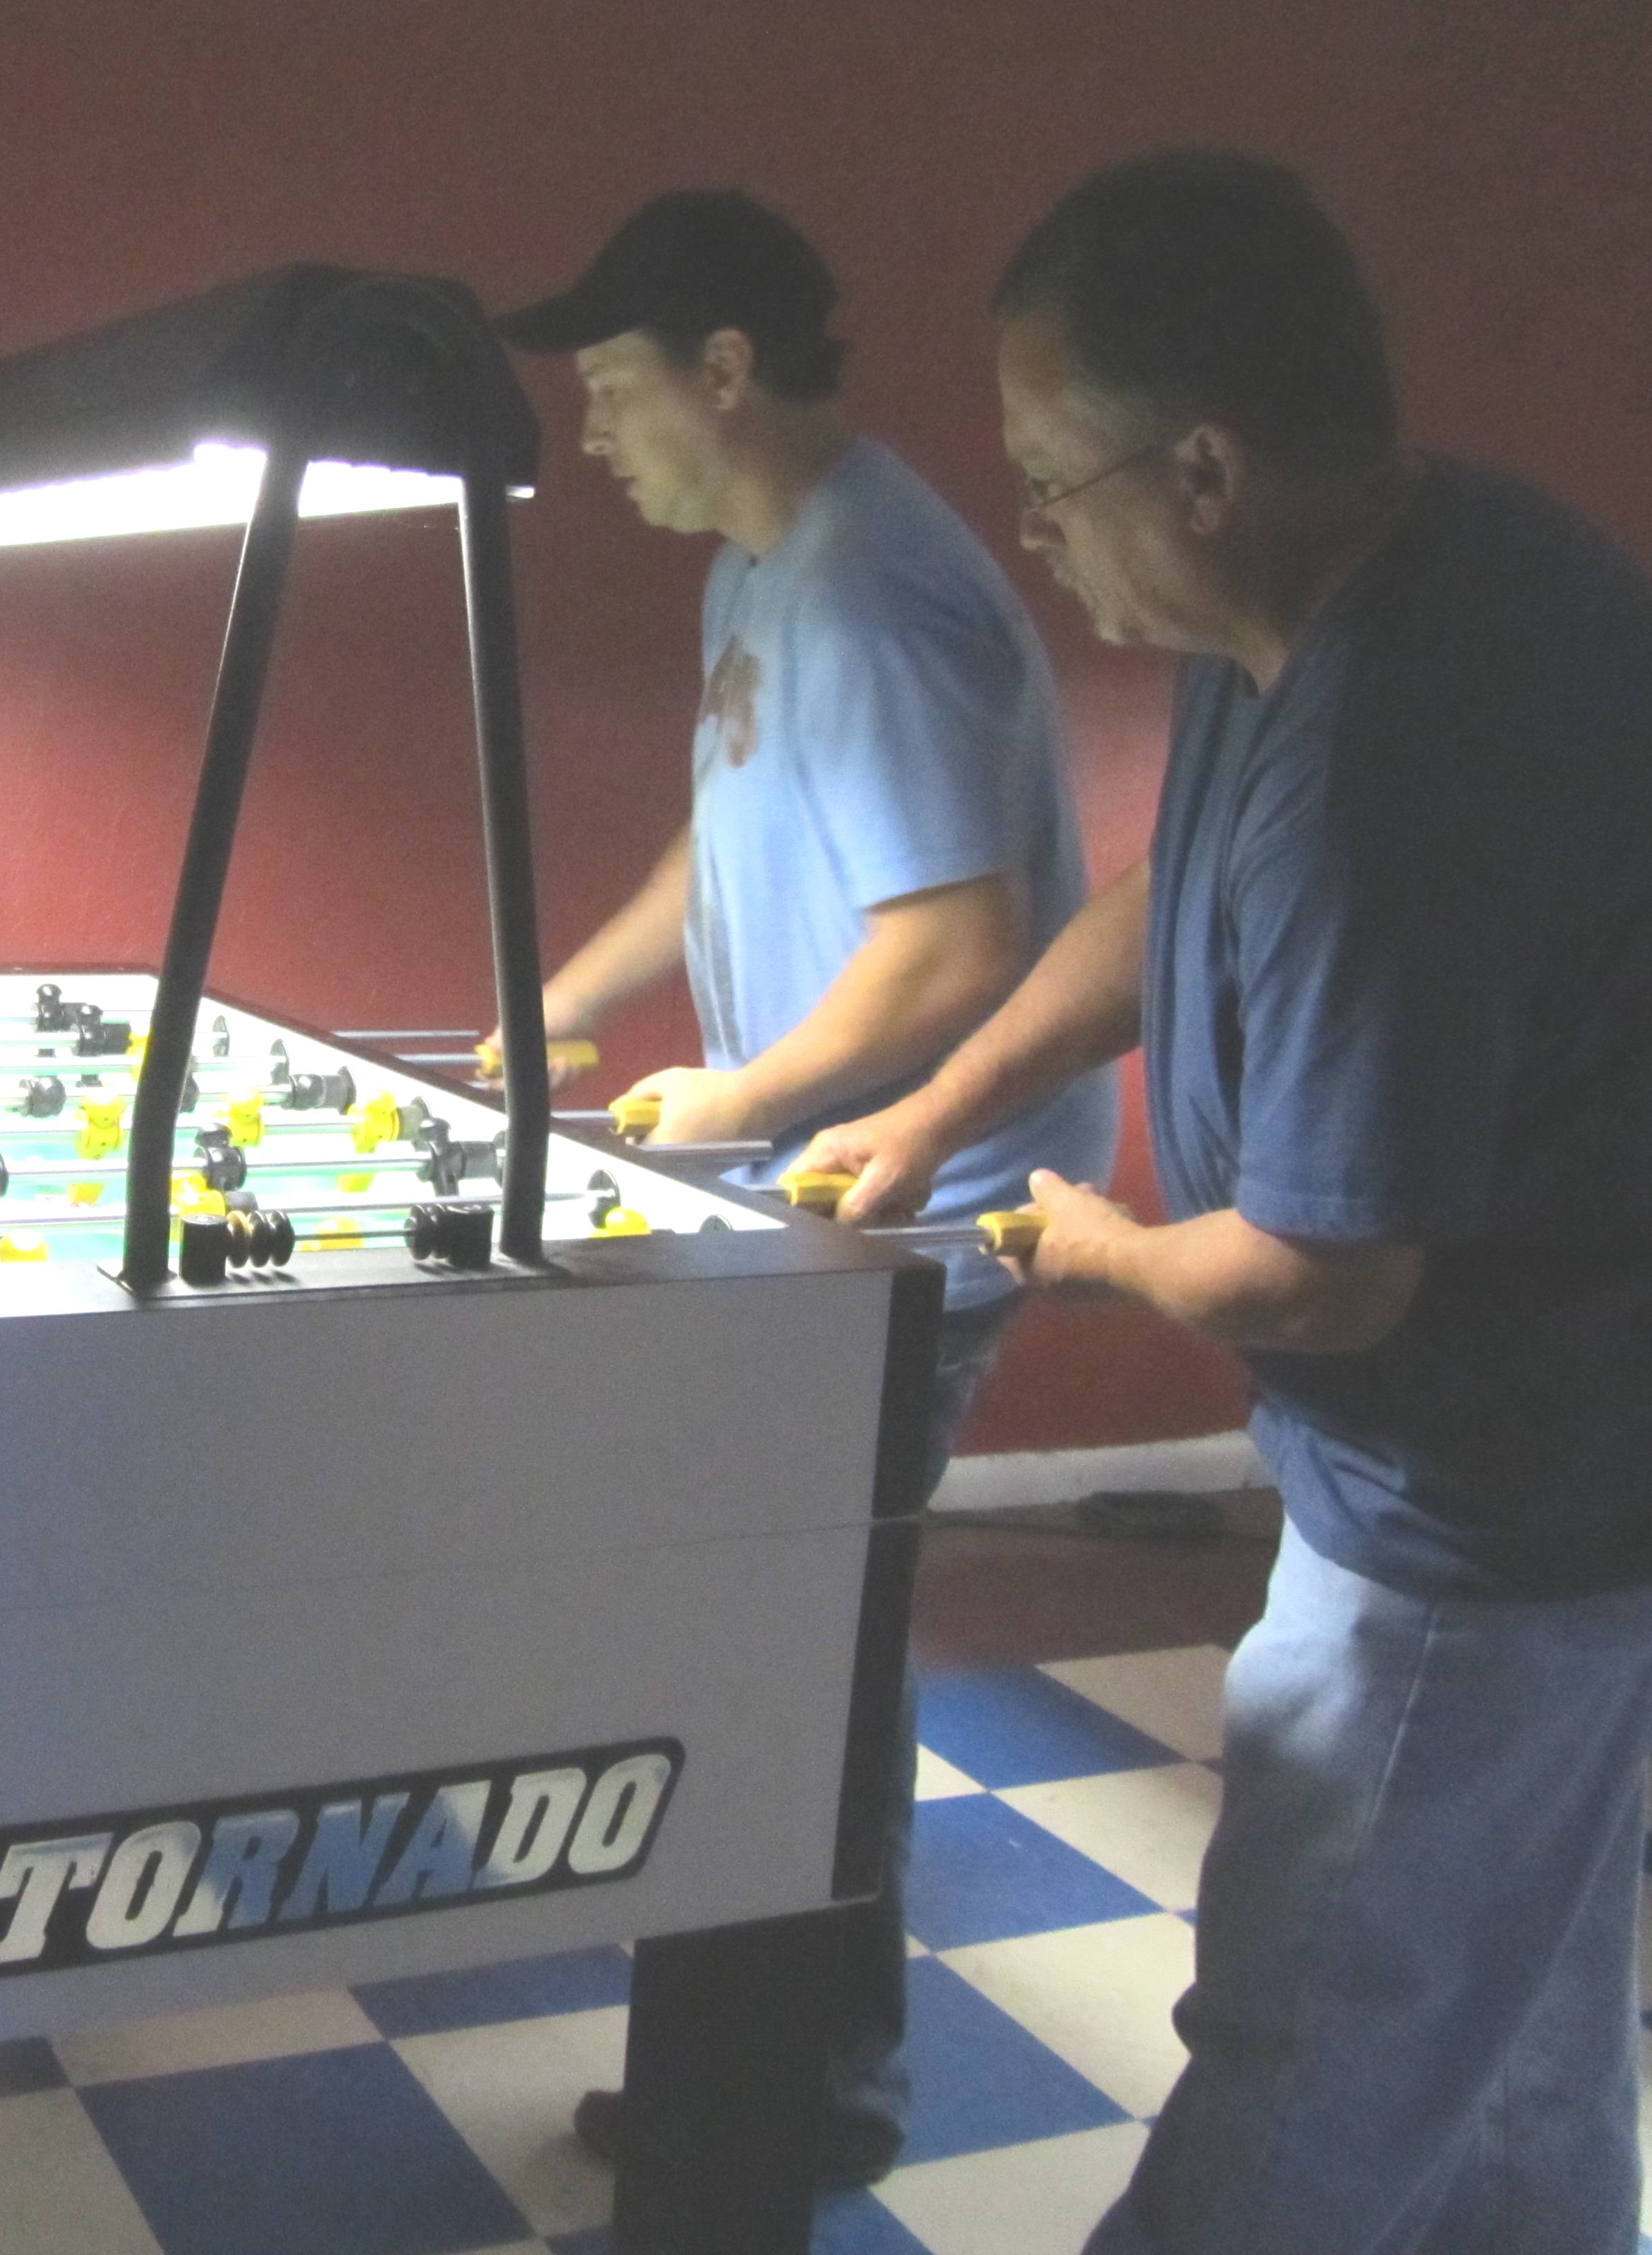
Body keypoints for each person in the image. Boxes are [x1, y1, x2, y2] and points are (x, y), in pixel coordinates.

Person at [806, 149, 1652, 2252]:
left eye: (1047, 483)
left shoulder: (1401, 742)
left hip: (1487, 1517)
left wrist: (1088, 1246)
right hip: (1560, 1479)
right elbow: (1164, 892)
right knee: (1522, 2030)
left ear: (1199, 467)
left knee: (1318, 2033)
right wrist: (952, 1098)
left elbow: (1323, 1275)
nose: (1036, 534)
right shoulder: (1350, 574)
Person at [486, 188, 1118, 2187]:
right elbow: (723, 822)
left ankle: (784, 2102)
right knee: (771, 1633)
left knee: (790, 1647)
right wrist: (562, 1002)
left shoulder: (871, 581)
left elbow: (954, 943)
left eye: (611, 388)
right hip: (815, 1181)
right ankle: (751, 2076)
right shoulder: (761, 563)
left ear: (725, 374)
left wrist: (736, 1092)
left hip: (931, 1200)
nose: (591, 435)